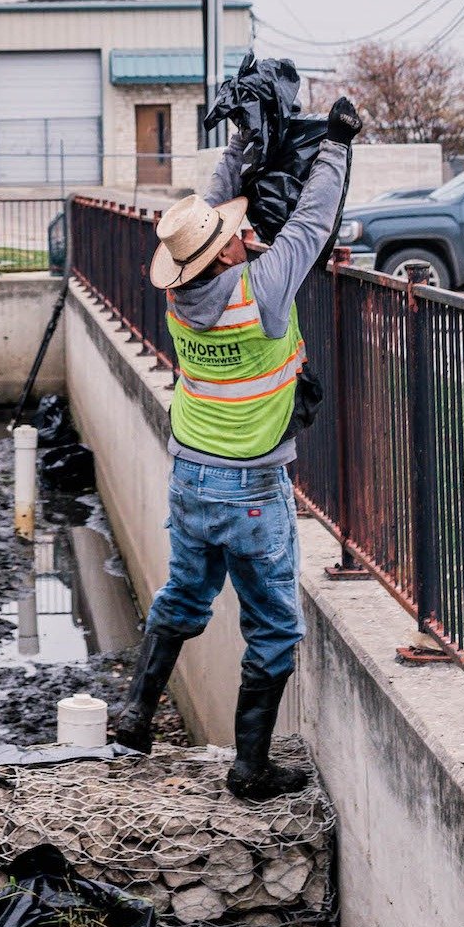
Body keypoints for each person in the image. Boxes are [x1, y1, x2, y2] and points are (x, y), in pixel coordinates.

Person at [110, 96, 362, 801]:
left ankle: (134, 712)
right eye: (234, 233)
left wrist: (243, 143)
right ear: (225, 250)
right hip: (252, 487)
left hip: (191, 474)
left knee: (186, 593)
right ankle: (248, 768)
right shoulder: (263, 289)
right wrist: (336, 144)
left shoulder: (182, 294)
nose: (241, 228)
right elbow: (312, 222)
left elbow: (205, 212)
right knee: (274, 626)